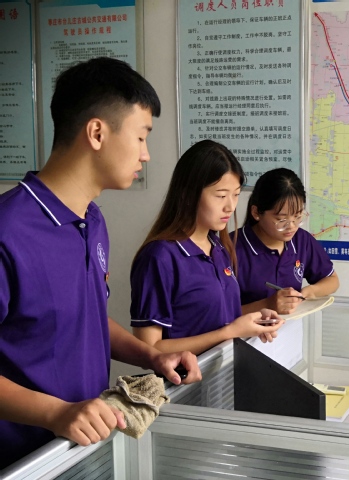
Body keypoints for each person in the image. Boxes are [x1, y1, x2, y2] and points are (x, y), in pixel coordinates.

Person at [0, 57, 201, 470]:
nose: (146, 154)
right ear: (97, 133)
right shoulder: (9, 230)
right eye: (141, 136)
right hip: (23, 462)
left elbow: (88, 317)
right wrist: (55, 413)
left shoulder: (92, 221)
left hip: (85, 452)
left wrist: (151, 357)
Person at [130, 140, 283, 356]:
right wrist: (229, 332)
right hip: (185, 377)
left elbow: (218, 318)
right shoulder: (160, 257)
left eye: (236, 194)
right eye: (221, 196)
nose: (230, 206)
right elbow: (149, 349)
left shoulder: (218, 247)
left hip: (225, 372)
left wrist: (254, 321)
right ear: (188, 194)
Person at [232, 168, 339, 315]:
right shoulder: (230, 248)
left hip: (292, 326)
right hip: (246, 330)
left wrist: (309, 292)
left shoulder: (301, 240)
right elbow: (218, 313)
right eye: (281, 220)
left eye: (298, 216)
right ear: (256, 212)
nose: (292, 226)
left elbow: (332, 280)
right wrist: (267, 304)